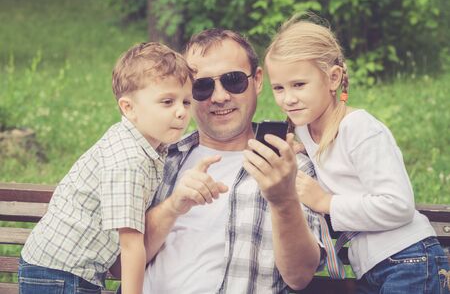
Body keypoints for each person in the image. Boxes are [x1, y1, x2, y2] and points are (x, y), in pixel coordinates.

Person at [264, 15, 450, 293]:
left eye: (299, 85)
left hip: (409, 259)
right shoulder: (304, 131)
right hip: (372, 269)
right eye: (279, 88)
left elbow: (398, 205)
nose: (288, 98)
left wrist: (326, 202)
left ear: (333, 78)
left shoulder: (359, 128)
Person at [140, 29, 325, 293]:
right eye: (202, 86)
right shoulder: (161, 158)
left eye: (234, 81)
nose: (219, 96)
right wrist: (172, 207)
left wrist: (283, 201)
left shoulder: (287, 164)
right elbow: (117, 264)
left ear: (257, 80)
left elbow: (300, 276)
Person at [18, 42, 194, 294]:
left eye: (186, 102)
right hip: (59, 273)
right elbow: (131, 244)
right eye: (167, 102)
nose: (180, 112)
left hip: (65, 271)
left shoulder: (147, 145)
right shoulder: (129, 160)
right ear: (128, 108)